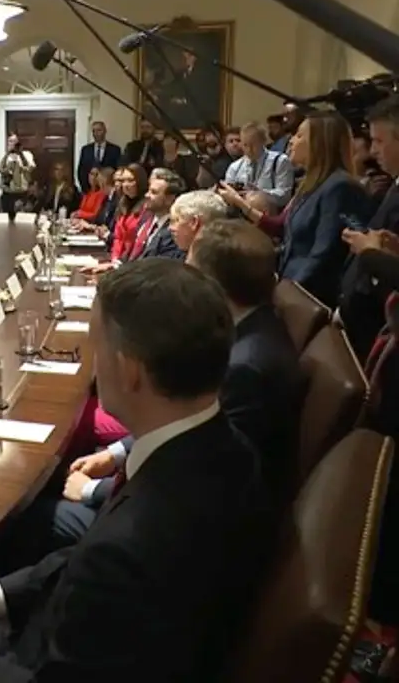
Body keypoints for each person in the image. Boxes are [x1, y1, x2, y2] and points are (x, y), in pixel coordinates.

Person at [0, 259, 276, 682]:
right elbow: (81, 557)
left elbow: (101, 563)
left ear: (130, 371)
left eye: (97, 345)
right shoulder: (227, 450)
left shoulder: (132, 541)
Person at [55, 220, 302, 548]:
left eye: (189, 266)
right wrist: (116, 454)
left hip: (177, 535)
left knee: (39, 520)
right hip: (168, 505)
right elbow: (180, 423)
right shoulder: (249, 330)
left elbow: (202, 475)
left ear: (208, 284)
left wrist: (90, 490)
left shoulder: (246, 367)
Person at [219, 110, 371, 308]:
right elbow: (282, 227)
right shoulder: (310, 184)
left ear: (320, 144)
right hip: (289, 285)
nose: (291, 141)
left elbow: (322, 257)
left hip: (309, 298)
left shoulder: (339, 187)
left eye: (299, 136)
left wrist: (283, 295)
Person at [339, 95, 399, 361]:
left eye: (378, 141)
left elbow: (353, 219)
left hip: (375, 323)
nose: (373, 151)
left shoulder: (361, 185)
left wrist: (370, 251)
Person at [223, 122, 294, 208]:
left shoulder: (280, 161)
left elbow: (285, 195)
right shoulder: (235, 167)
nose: (249, 150)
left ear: (263, 141)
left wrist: (259, 194)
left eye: (253, 145)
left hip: (269, 214)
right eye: (245, 145)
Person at [76, 121, 120, 192]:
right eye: (94, 131)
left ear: (105, 131)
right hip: (89, 189)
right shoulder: (86, 149)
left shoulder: (114, 150)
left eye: (99, 130)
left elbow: (116, 169)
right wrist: (85, 189)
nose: (96, 133)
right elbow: (81, 170)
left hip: (107, 189)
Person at [0, 133, 35, 213]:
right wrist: (8, 154)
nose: (13, 144)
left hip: (22, 195)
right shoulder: (4, 156)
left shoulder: (27, 155)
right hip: (8, 195)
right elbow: (0, 169)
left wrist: (20, 154)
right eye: (10, 141)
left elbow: (30, 168)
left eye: (15, 141)